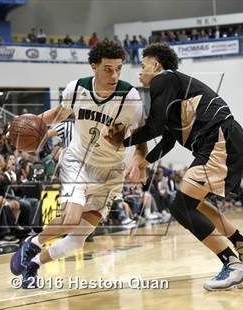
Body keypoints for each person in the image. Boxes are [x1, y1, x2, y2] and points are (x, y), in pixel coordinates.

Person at [112, 43, 243, 291]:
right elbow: (168, 139)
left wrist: (119, 141)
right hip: (221, 138)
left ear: (156, 66)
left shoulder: (163, 80)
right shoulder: (175, 92)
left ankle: (233, 264)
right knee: (195, 205)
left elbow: (154, 126)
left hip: (217, 138)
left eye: (142, 65)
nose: (139, 72)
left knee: (180, 207)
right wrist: (144, 161)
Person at [10, 41, 146, 288]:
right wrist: (29, 126)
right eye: (108, 69)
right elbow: (59, 114)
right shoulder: (77, 88)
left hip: (110, 172)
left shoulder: (130, 97)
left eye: (118, 68)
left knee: (76, 241)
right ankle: (33, 243)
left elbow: (141, 137)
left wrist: (139, 160)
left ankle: (34, 264)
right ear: (93, 66)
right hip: (78, 161)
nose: (114, 75)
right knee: (70, 219)